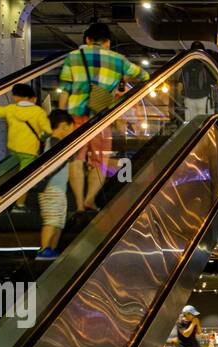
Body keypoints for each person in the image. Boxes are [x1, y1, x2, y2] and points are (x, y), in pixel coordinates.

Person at [57, 22, 149, 213]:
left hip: (76, 116)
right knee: (100, 161)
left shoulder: (74, 57)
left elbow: (65, 90)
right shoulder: (118, 60)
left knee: (75, 159)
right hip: (101, 117)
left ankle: (79, 203)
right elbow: (144, 75)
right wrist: (122, 78)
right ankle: (91, 199)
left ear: (87, 40)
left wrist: (61, 116)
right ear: (107, 42)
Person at [0, 82, 51, 208]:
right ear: (33, 98)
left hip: (14, 149)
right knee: (25, 179)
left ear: (15, 97)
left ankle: (7, 194)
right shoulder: (38, 111)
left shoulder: (11, 109)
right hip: (29, 151)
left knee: (18, 173)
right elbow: (48, 130)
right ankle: (19, 205)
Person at [35, 110, 76, 260]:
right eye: (72, 127)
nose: (72, 131)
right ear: (64, 126)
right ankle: (44, 249)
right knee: (52, 220)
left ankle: (50, 250)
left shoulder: (55, 143)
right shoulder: (54, 142)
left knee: (58, 221)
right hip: (51, 188)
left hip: (58, 189)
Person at [179, 41, 214, 120]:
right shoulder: (206, 64)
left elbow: (180, 83)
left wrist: (180, 97)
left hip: (188, 98)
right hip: (203, 97)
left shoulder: (186, 64)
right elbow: (213, 82)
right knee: (202, 120)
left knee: (189, 120)